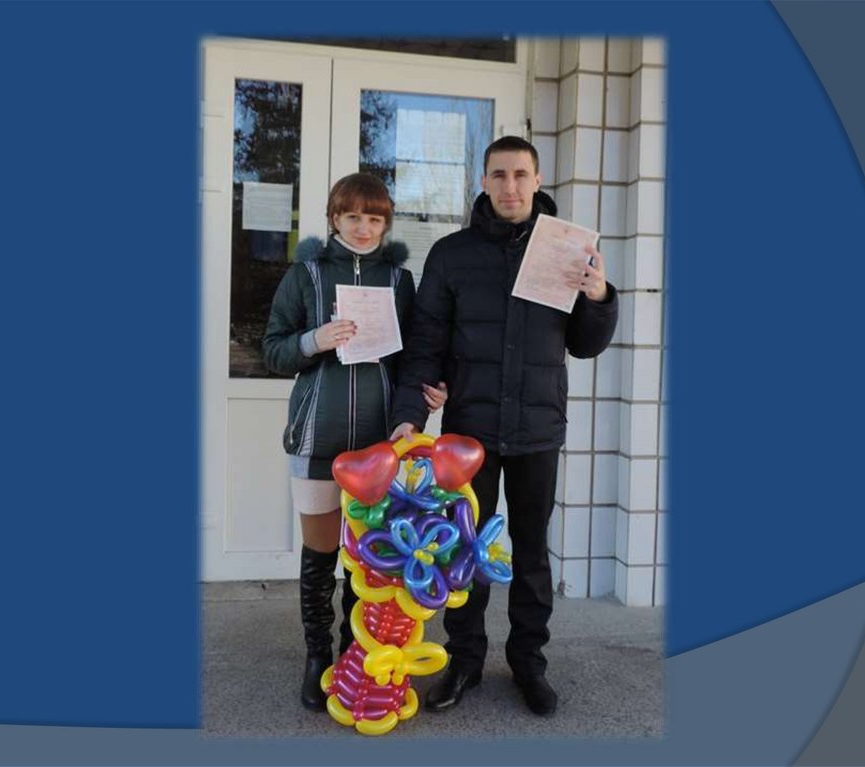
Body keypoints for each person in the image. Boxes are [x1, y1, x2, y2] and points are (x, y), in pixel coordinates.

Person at [389, 136, 618, 716]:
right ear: (483, 181)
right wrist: (409, 417)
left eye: (520, 174)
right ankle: (464, 660)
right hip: (469, 432)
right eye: (499, 175)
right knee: (466, 550)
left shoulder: (567, 251)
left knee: (532, 552)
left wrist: (598, 297)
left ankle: (528, 663)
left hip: (538, 428)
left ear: (537, 180)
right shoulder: (452, 254)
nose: (510, 186)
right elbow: (425, 342)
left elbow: (585, 344)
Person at [262, 173, 447, 711]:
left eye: (373, 218)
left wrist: (430, 393)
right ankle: (317, 656)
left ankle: (354, 651)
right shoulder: (307, 274)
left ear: (385, 223)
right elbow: (272, 349)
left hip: (379, 447)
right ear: (334, 218)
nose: (363, 228)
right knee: (321, 554)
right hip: (317, 439)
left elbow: (416, 358)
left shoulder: (400, 280)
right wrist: (313, 340)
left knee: (368, 561)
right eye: (352, 217)